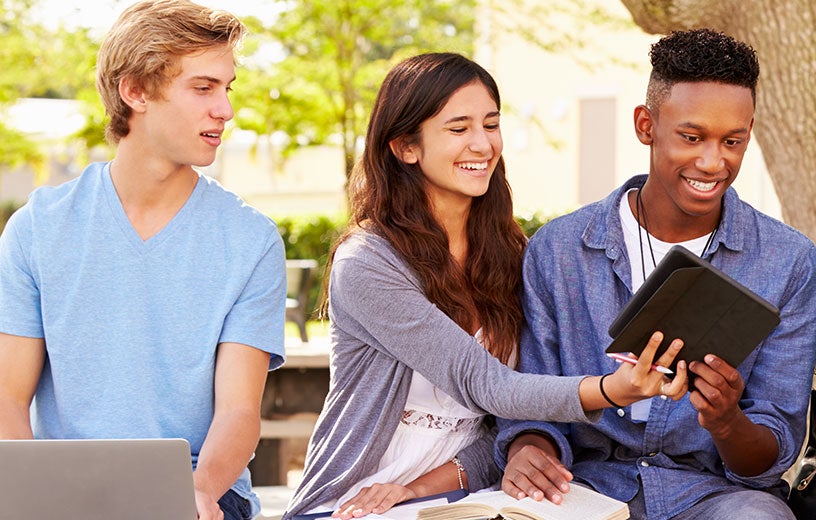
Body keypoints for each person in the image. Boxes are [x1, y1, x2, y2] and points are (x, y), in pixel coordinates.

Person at [283, 53, 687, 520]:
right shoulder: (368, 262)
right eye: (458, 129)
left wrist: (415, 489)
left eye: (491, 124)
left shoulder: (511, 254)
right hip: (353, 499)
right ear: (404, 147)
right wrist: (610, 390)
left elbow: (499, 424)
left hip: (465, 494)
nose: (482, 144)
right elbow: (488, 385)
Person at [493, 29, 816, 520]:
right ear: (646, 125)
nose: (713, 162)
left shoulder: (790, 262)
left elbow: (769, 456)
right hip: (587, 488)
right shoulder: (558, 251)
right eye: (691, 138)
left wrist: (728, 421)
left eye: (732, 141)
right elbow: (534, 400)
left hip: (714, 495)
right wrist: (529, 448)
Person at [0, 2, 282, 519]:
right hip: (66, 495)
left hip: (204, 492)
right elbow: (8, 401)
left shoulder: (251, 239)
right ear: (134, 91)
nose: (225, 109)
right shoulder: (38, 228)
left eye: (227, 88)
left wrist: (196, 492)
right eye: (203, 88)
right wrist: (30, 499)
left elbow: (239, 412)